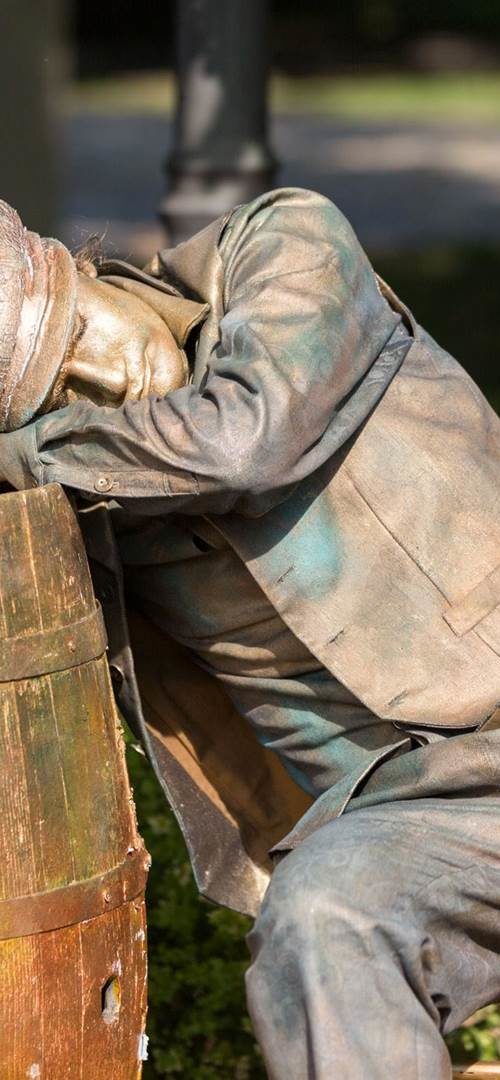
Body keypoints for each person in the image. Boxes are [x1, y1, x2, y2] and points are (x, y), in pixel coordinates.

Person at [0, 188, 498, 1079]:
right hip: (422, 820)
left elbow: (241, 444)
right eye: (57, 397)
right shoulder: (93, 509)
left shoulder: (283, 245)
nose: (103, 389)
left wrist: (30, 452)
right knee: (322, 915)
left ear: (80, 267)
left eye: (78, 340)